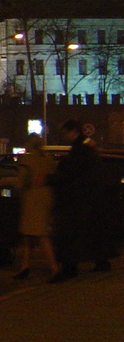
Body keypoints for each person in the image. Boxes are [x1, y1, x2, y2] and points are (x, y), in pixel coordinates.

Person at [48, 119, 113, 282]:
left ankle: (70, 267)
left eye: (65, 133)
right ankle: (100, 261)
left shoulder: (80, 149)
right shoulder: (87, 147)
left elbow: (71, 172)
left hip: (78, 200)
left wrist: (50, 179)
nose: (64, 136)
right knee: (91, 233)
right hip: (89, 198)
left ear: (73, 132)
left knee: (72, 235)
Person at [10, 135, 57, 279]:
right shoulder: (48, 159)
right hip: (46, 197)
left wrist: (8, 183)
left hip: (32, 199)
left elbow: (21, 181)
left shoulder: (28, 160)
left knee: (40, 234)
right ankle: (25, 266)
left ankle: (54, 267)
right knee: (31, 235)